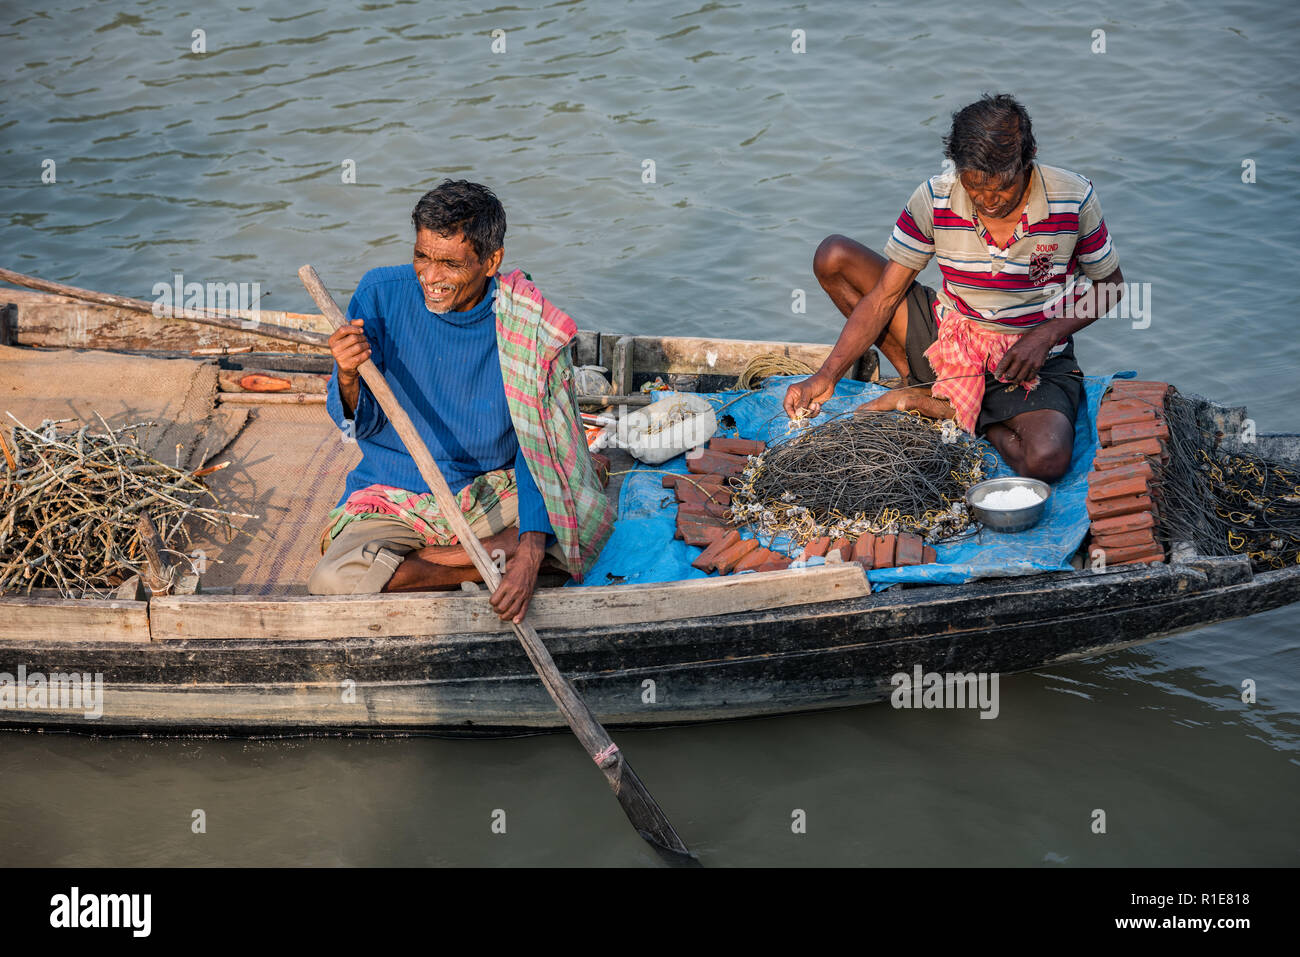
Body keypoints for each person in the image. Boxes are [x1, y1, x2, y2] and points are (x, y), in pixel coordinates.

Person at [307, 180, 613, 622]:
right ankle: (478, 559)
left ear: (491, 261)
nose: (430, 278)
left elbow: (536, 448)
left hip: (489, 492)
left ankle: (462, 559)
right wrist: (349, 374)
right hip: (396, 496)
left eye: (450, 264)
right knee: (333, 582)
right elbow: (359, 424)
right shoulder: (379, 293)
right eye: (422, 257)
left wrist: (527, 551)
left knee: (574, 539)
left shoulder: (523, 323)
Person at [784, 93, 1125, 481]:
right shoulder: (935, 196)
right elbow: (884, 297)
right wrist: (826, 375)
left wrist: (1046, 336)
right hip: (950, 337)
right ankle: (924, 383)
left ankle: (947, 408)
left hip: (1029, 359)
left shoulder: (1073, 197)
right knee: (834, 256)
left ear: (1028, 158)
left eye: (1001, 189)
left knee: (1046, 461)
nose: (987, 201)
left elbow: (1110, 287)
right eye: (975, 189)